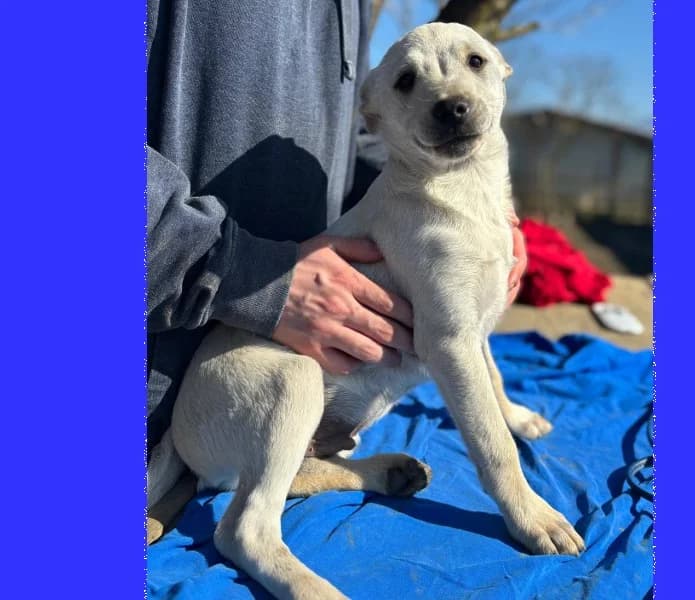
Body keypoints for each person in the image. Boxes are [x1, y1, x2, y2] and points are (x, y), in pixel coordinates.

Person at [146, 1, 527, 450]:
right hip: (168, 392)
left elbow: (366, 135)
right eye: (409, 81)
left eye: (476, 62)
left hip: (299, 417)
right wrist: (241, 275)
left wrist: (464, 222)